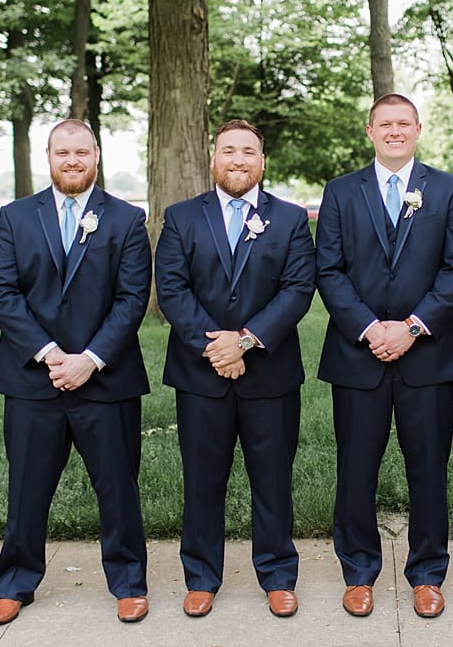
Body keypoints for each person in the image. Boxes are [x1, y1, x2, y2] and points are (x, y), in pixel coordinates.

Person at [0, 119, 151, 626]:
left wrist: (89, 359)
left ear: (96, 155)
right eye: (63, 152)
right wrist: (50, 353)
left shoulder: (125, 219)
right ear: (48, 157)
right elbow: (3, 293)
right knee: (26, 490)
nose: (72, 160)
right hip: (34, 379)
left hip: (106, 378)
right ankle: (15, 583)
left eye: (81, 151)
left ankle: (128, 582)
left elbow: (131, 298)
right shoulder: (15, 217)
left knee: (118, 487)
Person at [316, 93, 453, 618]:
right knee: (355, 469)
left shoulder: (448, 190)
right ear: (369, 131)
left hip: (427, 355)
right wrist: (368, 327)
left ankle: (428, 573)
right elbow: (329, 270)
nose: (394, 131)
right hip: (358, 356)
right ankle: (359, 572)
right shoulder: (341, 192)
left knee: (429, 469)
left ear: (418, 129)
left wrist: (411, 327)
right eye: (385, 123)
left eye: (403, 123)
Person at [155, 120, 316, 619]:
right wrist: (216, 348)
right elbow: (172, 289)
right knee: (203, 481)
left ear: (262, 162)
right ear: (213, 159)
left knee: (272, 480)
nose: (239, 159)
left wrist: (244, 342)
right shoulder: (181, 217)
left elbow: (297, 289)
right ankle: (201, 577)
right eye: (229, 150)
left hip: (269, 375)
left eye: (249, 151)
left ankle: (278, 575)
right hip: (200, 376)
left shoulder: (289, 220)